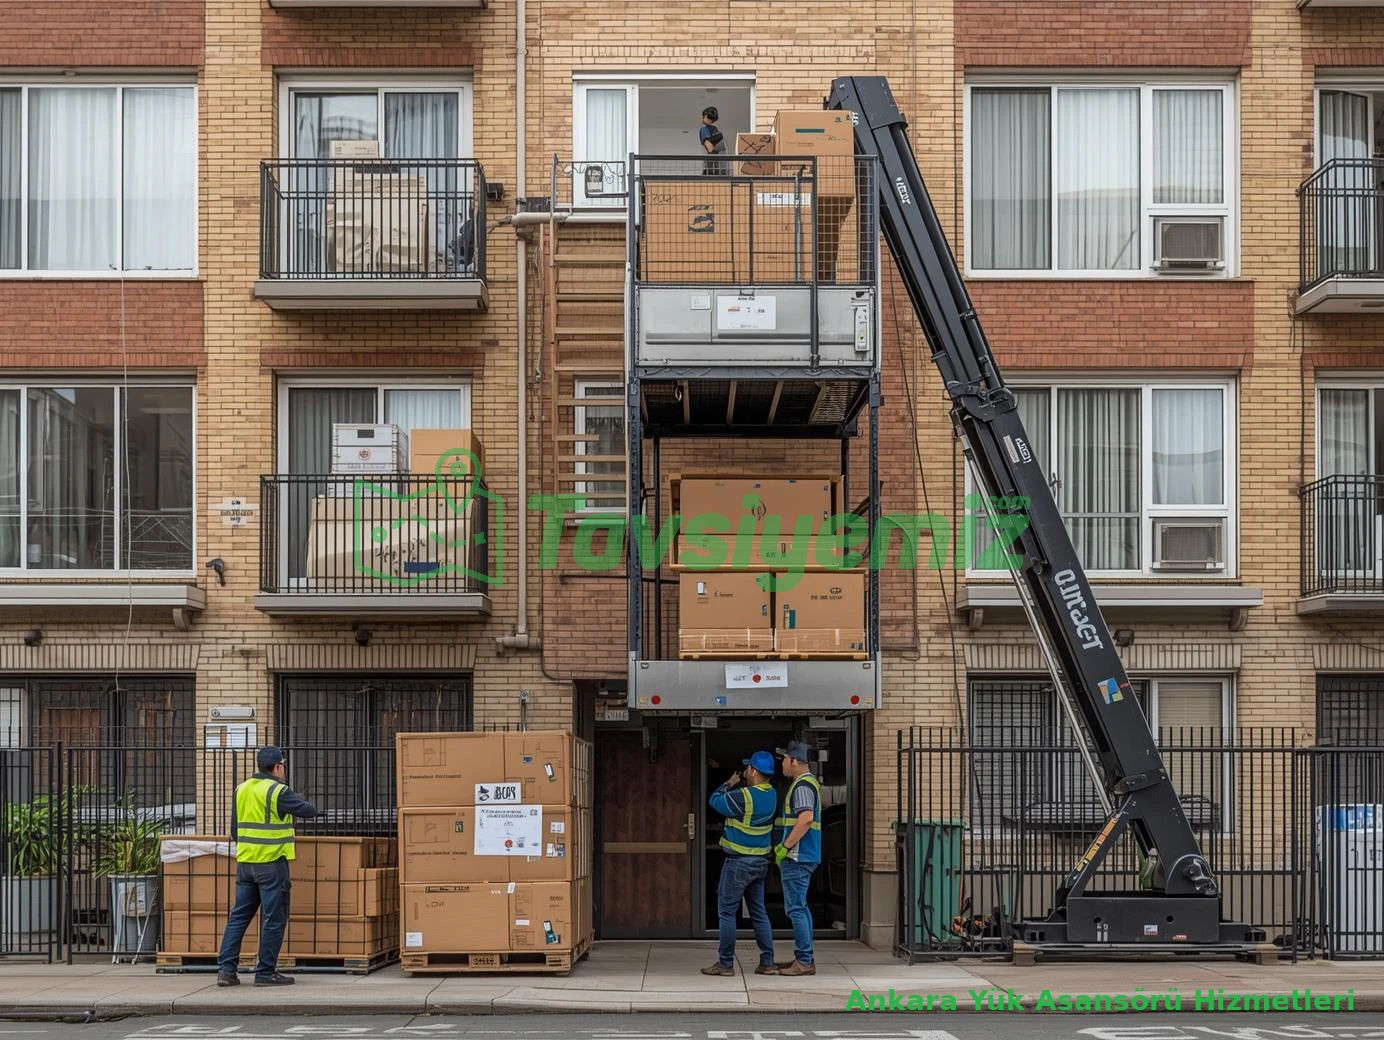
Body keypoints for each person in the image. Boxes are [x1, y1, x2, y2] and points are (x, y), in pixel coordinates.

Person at [217, 746, 319, 987]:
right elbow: (309, 811)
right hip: (272, 865)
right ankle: (265, 972)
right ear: (277, 767)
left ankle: (226, 971)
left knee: (239, 917)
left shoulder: (240, 789)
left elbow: (235, 830)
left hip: (245, 864)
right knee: (274, 918)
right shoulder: (277, 790)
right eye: (283, 765)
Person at [701, 750, 779, 977]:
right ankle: (767, 962)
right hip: (760, 862)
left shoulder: (743, 796)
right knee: (759, 912)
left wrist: (729, 782)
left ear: (753, 771)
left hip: (738, 863)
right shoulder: (773, 794)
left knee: (726, 912)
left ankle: (725, 964)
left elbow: (714, 801)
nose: (744, 772)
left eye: (747, 768)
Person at [772, 741, 822, 976]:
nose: (781, 762)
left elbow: (805, 819)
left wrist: (784, 847)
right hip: (802, 855)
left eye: (784, 758)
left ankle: (804, 960)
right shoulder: (806, 784)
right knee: (800, 907)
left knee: (796, 908)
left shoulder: (802, 785)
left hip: (797, 856)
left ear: (794, 761)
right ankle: (803, 957)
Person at [699, 105, 728, 175]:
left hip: (715, 164)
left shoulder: (709, 128)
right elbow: (710, 147)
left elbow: (711, 147)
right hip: (715, 164)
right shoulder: (707, 129)